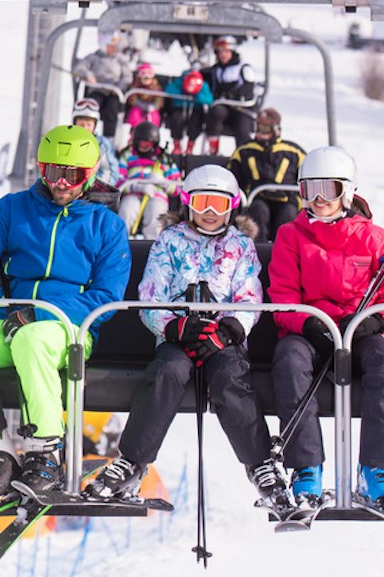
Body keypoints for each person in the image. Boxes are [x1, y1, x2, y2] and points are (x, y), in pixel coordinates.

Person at [0, 126, 131, 506]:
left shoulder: (106, 225)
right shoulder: (14, 209)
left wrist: (39, 315)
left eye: (72, 175)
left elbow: (106, 294)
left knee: (33, 339)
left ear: (90, 174)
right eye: (52, 172)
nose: (61, 183)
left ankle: (44, 454)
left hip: (68, 330)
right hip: (9, 322)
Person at [86, 165, 289, 511]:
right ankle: (132, 460)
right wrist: (172, 326)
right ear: (187, 203)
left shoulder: (240, 245)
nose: (210, 213)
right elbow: (150, 293)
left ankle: (260, 464)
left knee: (230, 379)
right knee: (166, 374)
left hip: (224, 340)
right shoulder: (170, 242)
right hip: (178, 337)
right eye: (202, 203)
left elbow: (249, 296)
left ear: (233, 207)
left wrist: (230, 329)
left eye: (219, 205)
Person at [268, 146, 384, 510]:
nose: (318, 199)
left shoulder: (373, 238)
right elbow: (283, 296)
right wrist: (310, 322)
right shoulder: (292, 235)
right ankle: (306, 467)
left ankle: (377, 467)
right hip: (312, 333)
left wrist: (374, 321)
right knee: (288, 357)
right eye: (309, 189)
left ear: (346, 191)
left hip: (357, 331)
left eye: (328, 189)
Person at [229, 108, 305, 239]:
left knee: (287, 216)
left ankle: (285, 252)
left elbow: (306, 177)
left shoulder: (293, 151)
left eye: (265, 129)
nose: (260, 133)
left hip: (287, 199)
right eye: (257, 127)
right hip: (257, 198)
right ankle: (259, 250)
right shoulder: (245, 150)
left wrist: (298, 199)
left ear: (276, 130)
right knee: (259, 211)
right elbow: (232, 177)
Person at [115, 122, 183, 235]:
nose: (144, 148)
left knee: (156, 215)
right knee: (127, 211)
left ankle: (151, 244)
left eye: (148, 144)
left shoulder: (163, 158)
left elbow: (177, 187)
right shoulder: (127, 155)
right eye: (141, 144)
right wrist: (134, 186)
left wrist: (164, 183)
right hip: (133, 193)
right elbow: (118, 180)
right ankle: (123, 241)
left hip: (157, 195)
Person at [202, 35, 259, 152]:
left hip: (241, 108)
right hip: (223, 107)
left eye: (226, 52)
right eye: (220, 52)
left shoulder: (243, 68)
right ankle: (213, 149)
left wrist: (233, 94)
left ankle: (243, 154)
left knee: (242, 127)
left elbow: (249, 88)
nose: (223, 55)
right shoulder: (216, 70)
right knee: (215, 113)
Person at [71, 37, 130, 137]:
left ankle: (109, 137)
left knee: (112, 108)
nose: (113, 49)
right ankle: (83, 131)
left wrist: (119, 87)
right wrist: (88, 75)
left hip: (113, 91)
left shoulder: (120, 60)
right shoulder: (94, 57)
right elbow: (78, 68)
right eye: (110, 46)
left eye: (115, 46)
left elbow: (127, 77)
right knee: (90, 107)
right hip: (97, 89)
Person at [70, 99, 123, 188]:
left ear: (95, 126)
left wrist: (94, 185)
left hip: (93, 190)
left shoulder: (102, 144)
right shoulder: (68, 141)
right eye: (81, 124)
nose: (85, 128)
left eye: (89, 125)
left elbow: (110, 172)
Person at [122, 61, 163, 132]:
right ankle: (135, 130)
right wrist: (139, 104)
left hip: (151, 108)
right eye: (144, 77)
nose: (147, 80)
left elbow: (160, 99)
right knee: (135, 113)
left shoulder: (156, 88)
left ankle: (152, 131)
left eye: (149, 77)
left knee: (154, 116)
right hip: (138, 106)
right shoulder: (135, 86)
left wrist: (154, 106)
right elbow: (132, 97)